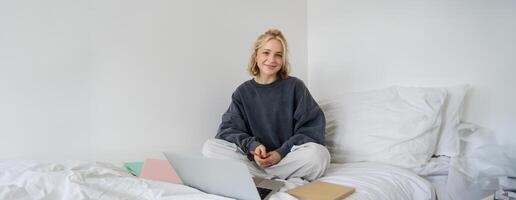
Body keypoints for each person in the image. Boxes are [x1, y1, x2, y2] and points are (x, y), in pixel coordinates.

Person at [202, 29, 330, 181]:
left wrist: (280, 153)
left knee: (319, 155)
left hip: (287, 160)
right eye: (266, 53)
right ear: (256, 55)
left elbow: (312, 130)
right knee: (210, 148)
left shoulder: (295, 87)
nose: (272, 59)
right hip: (254, 162)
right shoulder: (243, 92)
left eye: (278, 55)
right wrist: (253, 147)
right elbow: (227, 130)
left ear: (283, 60)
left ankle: (256, 179)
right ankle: (261, 177)